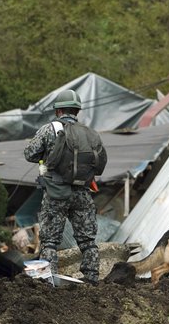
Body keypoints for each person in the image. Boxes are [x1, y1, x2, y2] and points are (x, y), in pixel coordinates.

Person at [23, 89, 107, 284]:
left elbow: (30, 154)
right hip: (83, 193)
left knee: (50, 240)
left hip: (56, 192)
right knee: (87, 240)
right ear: (77, 111)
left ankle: (48, 280)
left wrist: (47, 157)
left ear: (58, 111)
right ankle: (92, 278)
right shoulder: (90, 133)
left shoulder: (49, 129)